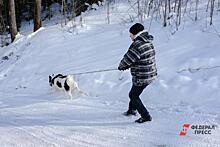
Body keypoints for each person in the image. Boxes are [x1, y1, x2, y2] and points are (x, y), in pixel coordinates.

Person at [118, 23, 157, 123]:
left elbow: (129, 58)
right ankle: (132, 110)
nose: (130, 36)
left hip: (142, 75)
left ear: (135, 34)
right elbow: (140, 57)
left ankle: (146, 116)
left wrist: (122, 66)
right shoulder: (148, 41)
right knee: (135, 92)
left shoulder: (137, 45)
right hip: (150, 73)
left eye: (130, 34)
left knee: (133, 95)